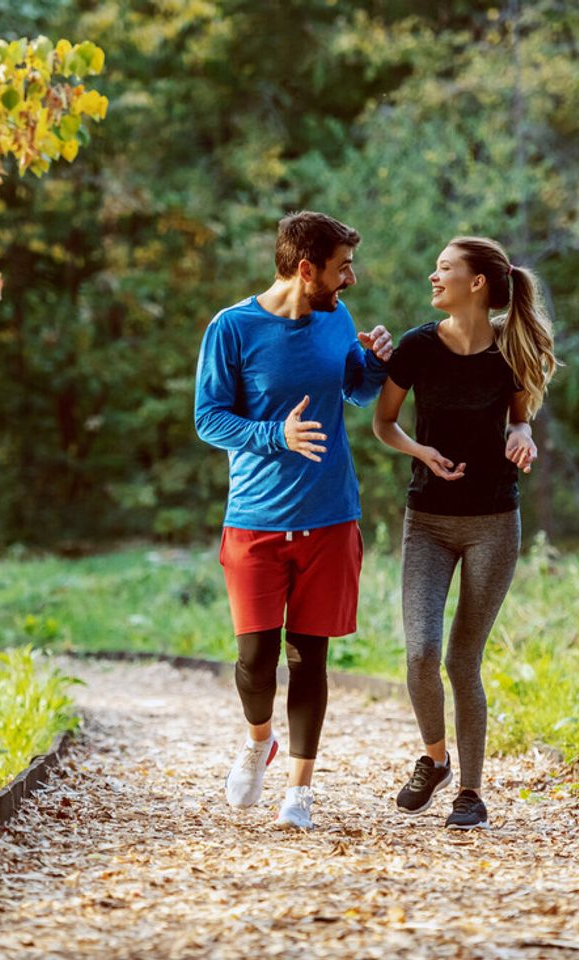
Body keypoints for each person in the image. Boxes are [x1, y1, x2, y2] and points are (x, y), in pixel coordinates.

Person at [194, 211, 392, 830]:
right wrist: (274, 435)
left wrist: (374, 366)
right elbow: (209, 419)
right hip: (255, 519)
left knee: (311, 658)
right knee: (255, 661)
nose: (351, 279)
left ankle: (300, 791)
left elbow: (353, 393)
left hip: (330, 516)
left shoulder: (338, 319)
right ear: (307, 270)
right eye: (342, 268)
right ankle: (260, 742)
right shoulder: (232, 328)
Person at [372, 236, 556, 830]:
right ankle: (434, 758)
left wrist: (523, 434)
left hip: (493, 524)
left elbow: (521, 418)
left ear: (476, 283)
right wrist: (421, 452)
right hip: (427, 520)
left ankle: (471, 794)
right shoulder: (418, 347)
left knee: (461, 659)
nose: (433, 276)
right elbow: (383, 422)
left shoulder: (512, 348)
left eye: (445, 269)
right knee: (421, 651)